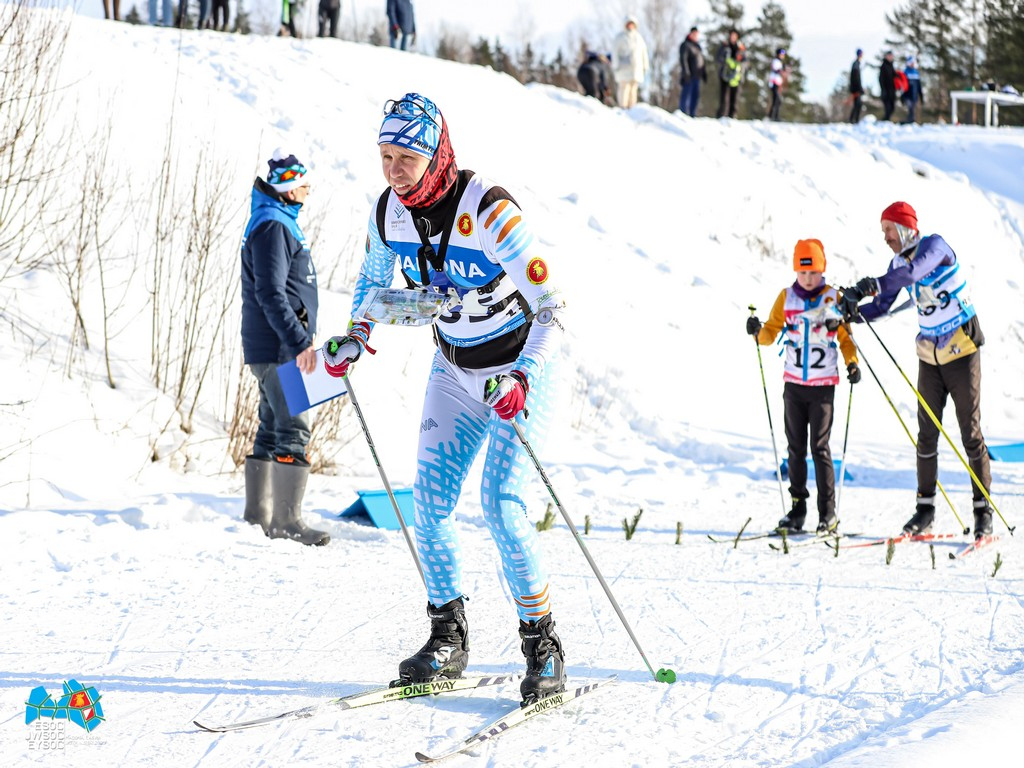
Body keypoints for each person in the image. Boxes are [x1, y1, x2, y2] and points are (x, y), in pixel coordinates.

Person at [322, 93, 568, 704]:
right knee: (429, 505)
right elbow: (373, 280)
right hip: (455, 370)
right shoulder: (388, 212)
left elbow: (551, 308)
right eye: (385, 156)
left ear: (436, 156)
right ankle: (447, 638)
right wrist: (356, 335)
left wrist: (524, 376)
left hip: (519, 369)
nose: (394, 171)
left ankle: (543, 646)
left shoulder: (489, 210)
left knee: (502, 505)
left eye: (407, 157)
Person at [838, 202, 993, 540]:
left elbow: (912, 274)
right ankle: (925, 511)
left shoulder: (935, 246)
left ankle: (983, 512)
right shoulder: (895, 264)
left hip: (962, 351)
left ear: (906, 228)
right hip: (930, 357)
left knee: (970, 434)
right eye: (883, 232)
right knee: (926, 435)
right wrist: (849, 310)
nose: (886, 238)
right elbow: (881, 306)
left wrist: (868, 284)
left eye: (889, 230)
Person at [239, 149, 330, 548]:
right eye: (304, 183)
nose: (308, 190)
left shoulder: (274, 219)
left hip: (273, 345)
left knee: (271, 425)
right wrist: (298, 342)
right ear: (290, 188)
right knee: (293, 427)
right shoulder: (274, 225)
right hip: (280, 347)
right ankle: (287, 521)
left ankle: (257, 517)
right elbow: (270, 292)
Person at [747, 240, 860, 534]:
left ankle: (827, 513)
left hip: (823, 386)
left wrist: (852, 364)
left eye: (813, 273)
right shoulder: (786, 298)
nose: (808, 279)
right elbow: (770, 333)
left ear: (822, 271)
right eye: (802, 272)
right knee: (795, 449)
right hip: (794, 384)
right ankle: (797, 509)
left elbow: (846, 339)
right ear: (796, 271)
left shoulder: (833, 298)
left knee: (819, 448)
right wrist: (757, 331)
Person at [612, 15, 650, 109]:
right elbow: (615, 52)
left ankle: (632, 108)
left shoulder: (638, 38)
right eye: (628, 24)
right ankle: (623, 107)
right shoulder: (620, 37)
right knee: (624, 88)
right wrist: (616, 65)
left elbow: (643, 52)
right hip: (623, 68)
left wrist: (645, 65)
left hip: (636, 68)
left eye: (632, 24)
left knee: (633, 89)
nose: (630, 26)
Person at [678, 27, 707, 117]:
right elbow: (683, 59)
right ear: (690, 34)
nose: (696, 36)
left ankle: (692, 115)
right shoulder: (685, 45)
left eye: (697, 34)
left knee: (695, 96)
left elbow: (701, 61)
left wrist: (704, 73)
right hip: (689, 75)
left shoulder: (698, 47)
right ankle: (683, 114)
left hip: (697, 76)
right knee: (686, 95)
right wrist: (686, 72)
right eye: (694, 34)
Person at [715, 29, 743, 118]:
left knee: (734, 97)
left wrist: (739, 66)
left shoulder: (740, 48)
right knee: (723, 97)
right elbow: (718, 57)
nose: (733, 37)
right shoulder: (724, 46)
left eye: (735, 36)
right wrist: (726, 63)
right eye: (732, 35)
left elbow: (745, 61)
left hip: (736, 76)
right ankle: (720, 115)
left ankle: (732, 116)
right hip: (724, 74)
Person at [767, 47, 787, 121]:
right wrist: (782, 71)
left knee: (777, 100)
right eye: (781, 54)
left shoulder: (780, 62)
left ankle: (773, 116)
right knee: (776, 100)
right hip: (774, 82)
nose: (783, 56)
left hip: (778, 83)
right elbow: (776, 70)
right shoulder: (776, 61)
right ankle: (773, 116)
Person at [902, 55, 924, 124]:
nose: (912, 64)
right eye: (911, 63)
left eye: (913, 63)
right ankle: (910, 120)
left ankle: (911, 120)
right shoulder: (905, 72)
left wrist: (921, 95)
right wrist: (902, 95)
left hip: (914, 95)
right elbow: (903, 85)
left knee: (913, 108)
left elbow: (919, 86)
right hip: (907, 95)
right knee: (910, 108)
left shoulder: (916, 72)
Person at [879, 50, 897, 121]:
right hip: (886, 90)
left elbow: (894, 76)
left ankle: (886, 120)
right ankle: (885, 120)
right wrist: (883, 89)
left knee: (892, 107)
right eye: (889, 56)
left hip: (892, 90)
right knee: (888, 107)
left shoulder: (891, 66)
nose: (891, 57)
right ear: (886, 56)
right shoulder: (884, 66)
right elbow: (881, 79)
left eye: (891, 56)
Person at [849, 49, 865, 123]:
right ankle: (854, 120)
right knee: (857, 104)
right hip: (856, 88)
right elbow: (856, 78)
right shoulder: (856, 64)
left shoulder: (857, 64)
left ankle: (855, 120)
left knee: (858, 104)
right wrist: (859, 88)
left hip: (856, 88)